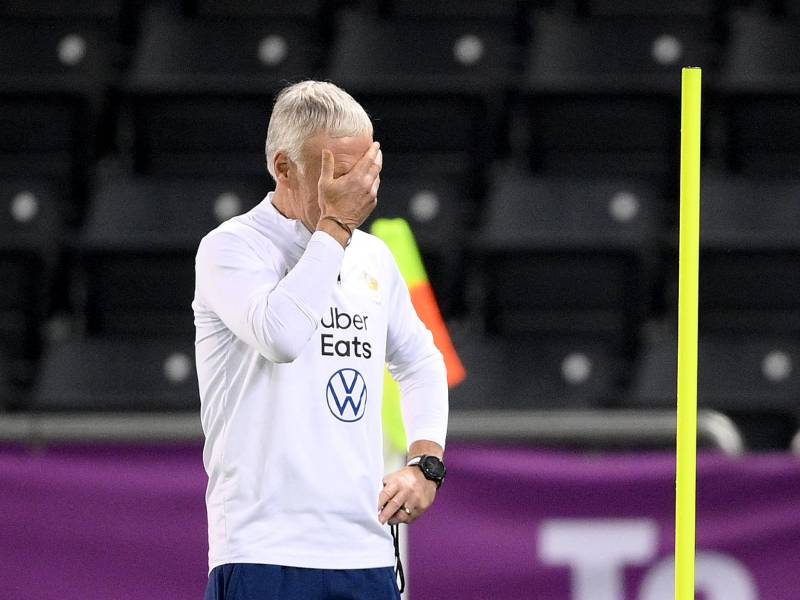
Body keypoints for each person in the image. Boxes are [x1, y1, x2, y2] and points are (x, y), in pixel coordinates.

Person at [193, 80, 449, 600]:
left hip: (365, 550)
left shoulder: (374, 257)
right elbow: (281, 337)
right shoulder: (231, 249)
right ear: (284, 167)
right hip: (264, 550)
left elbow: (421, 360)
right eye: (338, 172)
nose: (357, 189)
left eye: (364, 170)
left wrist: (426, 465)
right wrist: (335, 228)